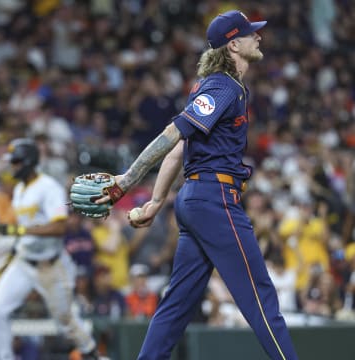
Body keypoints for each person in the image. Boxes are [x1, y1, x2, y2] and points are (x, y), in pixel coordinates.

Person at [95, 10, 298, 360]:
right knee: (261, 297)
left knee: (176, 305)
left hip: (195, 200)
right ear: (234, 44)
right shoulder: (223, 85)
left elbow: (179, 149)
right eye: (251, 33)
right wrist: (128, 180)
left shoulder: (212, 86)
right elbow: (172, 134)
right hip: (214, 199)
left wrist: (158, 202)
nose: (258, 37)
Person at [0, 138, 109, 360]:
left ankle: (93, 354)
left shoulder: (49, 188)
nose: (13, 166)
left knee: (65, 322)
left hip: (52, 265)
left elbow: (60, 227)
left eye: (16, 161)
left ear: (28, 162)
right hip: (25, 262)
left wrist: (20, 232)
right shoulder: (20, 189)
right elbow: (23, 232)